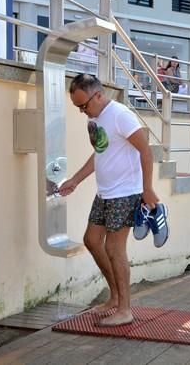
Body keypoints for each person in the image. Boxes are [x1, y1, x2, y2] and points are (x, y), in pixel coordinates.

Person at [59, 74, 159, 327]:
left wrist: (147, 189)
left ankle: (125, 309)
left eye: (84, 105)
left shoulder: (120, 115)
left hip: (125, 193)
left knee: (115, 249)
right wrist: (75, 180)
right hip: (105, 192)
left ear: (99, 95)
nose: (82, 111)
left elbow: (145, 151)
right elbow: (100, 153)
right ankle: (115, 297)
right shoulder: (94, 119)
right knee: (92, 240)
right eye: (78, 107)